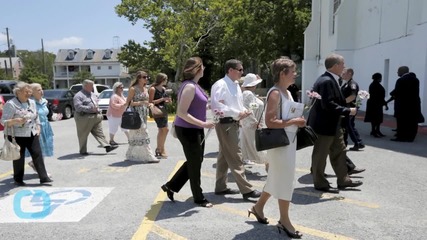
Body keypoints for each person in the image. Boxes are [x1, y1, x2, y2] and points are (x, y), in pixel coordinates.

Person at [249, 58, 305, 239]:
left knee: (276, 178)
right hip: (279, 143)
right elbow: (270, 121)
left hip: (287, 141)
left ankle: (258, 208)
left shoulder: (286, 92)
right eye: (293, 71)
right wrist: (295, 121)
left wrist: (297, 120)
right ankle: (284, 220)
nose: (295, 74)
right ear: (282, 73)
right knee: (285, 181)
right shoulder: (275, 93)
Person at [160, 57, 215, 208]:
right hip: (188, 129)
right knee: (195, 162)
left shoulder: (194, 85)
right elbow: (182, 112)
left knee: (195, 160)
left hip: (194, 128)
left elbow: (196, 107)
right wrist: (204, 123)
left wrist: (212, 108)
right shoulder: (190, 87)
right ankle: (198, 197)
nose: (204, 69)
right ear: (197, 69)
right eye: (202, 66)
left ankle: (170, 186)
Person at [308, 53, 363, 194]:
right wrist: (347, 110)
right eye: (342, 64)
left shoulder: (331, 79)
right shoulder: (326, 81)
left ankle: (343, 180)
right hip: (324, 125)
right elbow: (328, 104)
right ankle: (320, 183)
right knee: (320, 155)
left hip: (333, 124)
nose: (344, 67)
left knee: (340, 151)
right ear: (335, 66)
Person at [210, 59, 261, 200]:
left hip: (233, 123)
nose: (242, 72)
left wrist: (244, 111)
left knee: (224, 156)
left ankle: (220, 187)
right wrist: (237, 113)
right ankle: (247, 190)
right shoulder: (220, 84)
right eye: (240, 69)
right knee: (236, 156)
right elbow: (216, 106)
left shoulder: (236, 85)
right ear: (230, 70)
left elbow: (237, 104)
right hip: (225, 124)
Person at [1, 81, 52, 186]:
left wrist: (38, 127)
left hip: (31, 132)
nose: (29, 93)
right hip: (16, 135)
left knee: (37, 154)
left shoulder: (31, 102)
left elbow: (36, 116)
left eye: (29, 91)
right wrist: (15, 121)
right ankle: (18, 179)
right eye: (26, 91)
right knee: (19, 157)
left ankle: (43, 177)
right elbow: (3, 121)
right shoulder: (11, 104)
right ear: (18, 92)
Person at [73, 79, 118, 155]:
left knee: (99, 133)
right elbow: (78, 107)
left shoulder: (93, 94)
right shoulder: (78, 95)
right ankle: (83, 151)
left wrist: (98, 110)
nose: (92, 87)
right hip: (84, 117)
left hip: (95, 116)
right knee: (83, 134)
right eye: (91, 86)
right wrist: (90, 108)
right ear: (85, 86)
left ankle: (107, 146)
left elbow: (96, 103)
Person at [125, 71, 159, 163]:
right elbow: (128, 102)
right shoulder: (133, 89)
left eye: (147, 77)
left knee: (136, 135)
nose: (146, 79)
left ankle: (130, 154)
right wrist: (141, 103)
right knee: (144, 133)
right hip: (136, 114)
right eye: (144, 77)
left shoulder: (145, 88)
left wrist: (150, 105)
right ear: (139, 78)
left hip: (144, 114)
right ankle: (149, 156)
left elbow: (147, 101)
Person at [25, 83, 54, 176]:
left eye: (41, 89)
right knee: (39, 149)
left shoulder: (44, 101)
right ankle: (42, 170)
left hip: (46, 127)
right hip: (37, 128)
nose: (41, 91)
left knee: (44, 149)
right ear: (32, 92)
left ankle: (35, 164)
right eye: (38, 90)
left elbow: (47, 114)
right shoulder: (30, 103)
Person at [389, 66, 424, 142]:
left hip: (402, 105)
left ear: (402, 71)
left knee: (402, 122)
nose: (397, 73)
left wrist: (391, 94)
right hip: (413, 105)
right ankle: (411, 137)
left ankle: (401, 137)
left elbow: (397, 92)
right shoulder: (416, 80)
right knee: (412, 122)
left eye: (398, 71)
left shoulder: (400, 80)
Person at [239, 73, 267, 168]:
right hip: (252, 124)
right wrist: (255, 122)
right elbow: (248, 109)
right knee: (255, 145)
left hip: (250, 123)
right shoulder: (248, 94)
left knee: (248, 144)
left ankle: (242, 161)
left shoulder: (248, 94)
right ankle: (268, 162)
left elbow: (251, 107)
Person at [340, 68, 365, 150]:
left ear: (350, 73)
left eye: (344, 73)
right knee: (349, 125)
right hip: (347, 107)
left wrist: (342, 102)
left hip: (350, 107)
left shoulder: (352, 84)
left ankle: (358, 142)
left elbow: (352, 96)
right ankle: (350, 142)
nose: (342, 74)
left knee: (349, 125)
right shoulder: (346, 84)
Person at [149, 73, 171, 158]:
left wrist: (168, 100)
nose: (167, 81)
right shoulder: (153, 89)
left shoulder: (164, 89)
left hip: (163, 110)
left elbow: (165, 100)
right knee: (164, 129)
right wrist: (162, 99)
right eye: (166, 79)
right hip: (157, 111)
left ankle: (160, 148)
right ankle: (161, 149)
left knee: (163, 130)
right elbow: (150, 102)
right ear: (162, 80)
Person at [364, 73, 388, 137]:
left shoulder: (373, 85)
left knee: (375, 118)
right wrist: (385, 104)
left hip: (373, 103)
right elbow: (379, 96)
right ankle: (375, 131)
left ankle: (375, 130)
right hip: (376, 104)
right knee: (376, 118)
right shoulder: (376, 86)